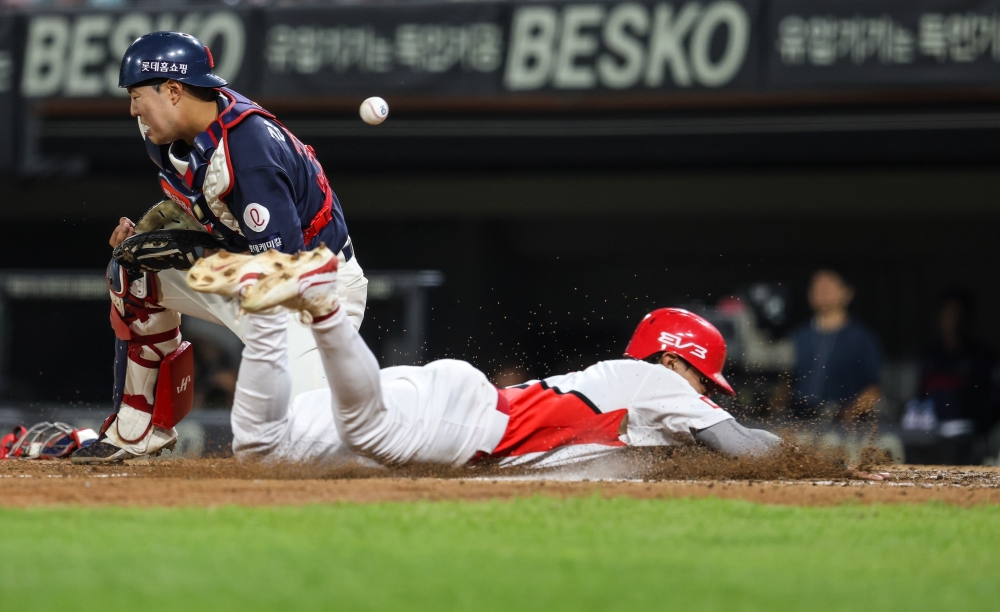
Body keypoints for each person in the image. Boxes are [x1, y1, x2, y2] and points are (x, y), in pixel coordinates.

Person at [188, 250, 793, 469]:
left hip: (443, 405)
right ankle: (321, 305)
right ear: (676, 361)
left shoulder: (636, 403)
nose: (705, 391)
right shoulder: (661, 384)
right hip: (469, 426)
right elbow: (740, 444)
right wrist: (817, 459)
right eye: (702, 376)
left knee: (261, 447)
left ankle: (264, 314)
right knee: (365, 427)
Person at [75, 31, 368, 462]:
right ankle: (137, 428)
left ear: (173, 91)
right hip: (251, 281)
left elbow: (284, 271)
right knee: (132, 266)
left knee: (304, 450)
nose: (133, 108)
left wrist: (198, 252)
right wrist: (169, 236)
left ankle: (443, 420)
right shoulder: (171, 134)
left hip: (314, 295)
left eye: (137, 95)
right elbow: (215, 209)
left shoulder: (251, 150)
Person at [903, 288, 998, 464]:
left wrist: (979, 429)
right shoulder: (930, 355)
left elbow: (991, 402)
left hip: (966, 433)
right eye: (948, 313)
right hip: (929, 432)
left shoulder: (981, 356)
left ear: (969, 318)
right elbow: (920, 395)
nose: (952, 320)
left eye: (958, 314)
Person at [778, 269, 882, 422]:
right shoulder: (798, 336)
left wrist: (850, 413)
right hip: (799, 422)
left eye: (827, 287)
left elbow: (873, 389)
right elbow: (785, 382)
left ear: (847, 293)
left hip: (842, 425)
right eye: (815, 287)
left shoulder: (861, 339)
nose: (820, 291)